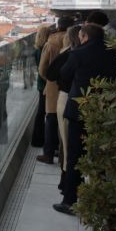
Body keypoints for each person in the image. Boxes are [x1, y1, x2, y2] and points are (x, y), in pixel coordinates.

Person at [55, 23, 116, 215]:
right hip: (106, 111)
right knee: (101, 155)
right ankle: (98, 200)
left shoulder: (78, 53)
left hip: (79, 110)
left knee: (75, 155)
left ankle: (70, 201)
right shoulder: (114, 52)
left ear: (84, 37)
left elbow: (63, 74)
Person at [38, 17, 73, 163]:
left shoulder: (50, 42)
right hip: (69, 86)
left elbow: (42, 68)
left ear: (58, 26)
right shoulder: (74, 42)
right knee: (66, 121)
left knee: (51, 119)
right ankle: (62, 153)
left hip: (53, 86)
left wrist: (50, 81)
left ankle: (49, 153)